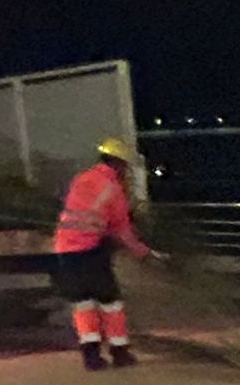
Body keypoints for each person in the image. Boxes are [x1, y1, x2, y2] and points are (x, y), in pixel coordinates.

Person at [52, 138, 164, 369]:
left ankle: (91, 357)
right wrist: (145, 253)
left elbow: (81, 214)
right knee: (110, 303)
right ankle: (120, 353)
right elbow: (121, 230)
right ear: (118, 164)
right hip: (90, 251)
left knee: (83, 303)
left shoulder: (81, 179)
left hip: (65, 250)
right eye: (125, 166)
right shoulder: (113, 189)